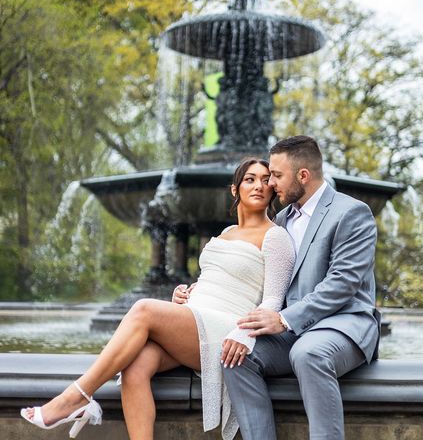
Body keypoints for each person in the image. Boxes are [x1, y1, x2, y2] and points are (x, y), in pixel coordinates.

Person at [20, 157, 294, 440]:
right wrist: (189, 293)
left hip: (228, 331)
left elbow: (273, 301)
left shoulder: (275, 237)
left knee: (143, 309)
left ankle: (74, 397)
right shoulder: (227, 233)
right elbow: (219, 279)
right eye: (250, 179)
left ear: (273, 190)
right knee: (135, 366)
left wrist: (244, 334)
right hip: (197, 318)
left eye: (265, 180)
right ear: (235, 189)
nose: (259, 186)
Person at [223, 136, 380, 440]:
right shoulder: (281, 220)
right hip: (293, 330)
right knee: (234, 356)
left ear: (303, 175)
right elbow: (263, 277)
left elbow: (343, 283)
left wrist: (283, 319)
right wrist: (194, 295)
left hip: (344, 323)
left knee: (309, 354)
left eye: (277, 176)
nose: (270, 185)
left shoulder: (352, 213)